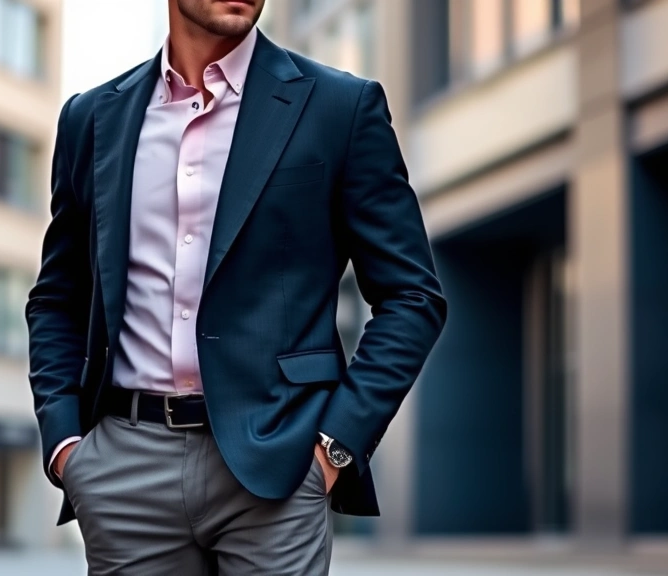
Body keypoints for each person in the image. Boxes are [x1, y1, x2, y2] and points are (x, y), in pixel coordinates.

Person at [26, 0, 447, 573]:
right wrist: (67, 449)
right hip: (124, 469)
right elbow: (58, 297)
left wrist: (332, 448)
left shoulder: (339, 108)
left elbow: (412, 297)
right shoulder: (92, 119)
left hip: (280, 462)